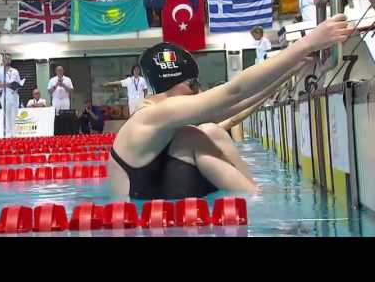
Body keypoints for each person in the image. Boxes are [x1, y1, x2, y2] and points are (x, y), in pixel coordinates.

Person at [107, 14, 353, 199]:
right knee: (197, 135)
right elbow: (233, 91)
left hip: (157, 199)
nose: (199, 90)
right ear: (173, 83)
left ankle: (255, 193)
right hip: (138, 219)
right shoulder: (153, 115)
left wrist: (292, 70)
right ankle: (256, 199)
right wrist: (307, 43)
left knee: (209, 130)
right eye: (193, 84)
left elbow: (234, 106)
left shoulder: (160, 115)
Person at [0, 55, 22, 138]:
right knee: (7, 115)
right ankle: (8, 134)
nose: (8, 60)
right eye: (6, 58)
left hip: (14, 95)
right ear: (3, 60)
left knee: (14, 114)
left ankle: (14, 133)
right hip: (5, 95)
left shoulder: (15, 71)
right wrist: (7, 84)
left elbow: (19, 83)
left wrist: (17, 86)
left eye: (9, 58)